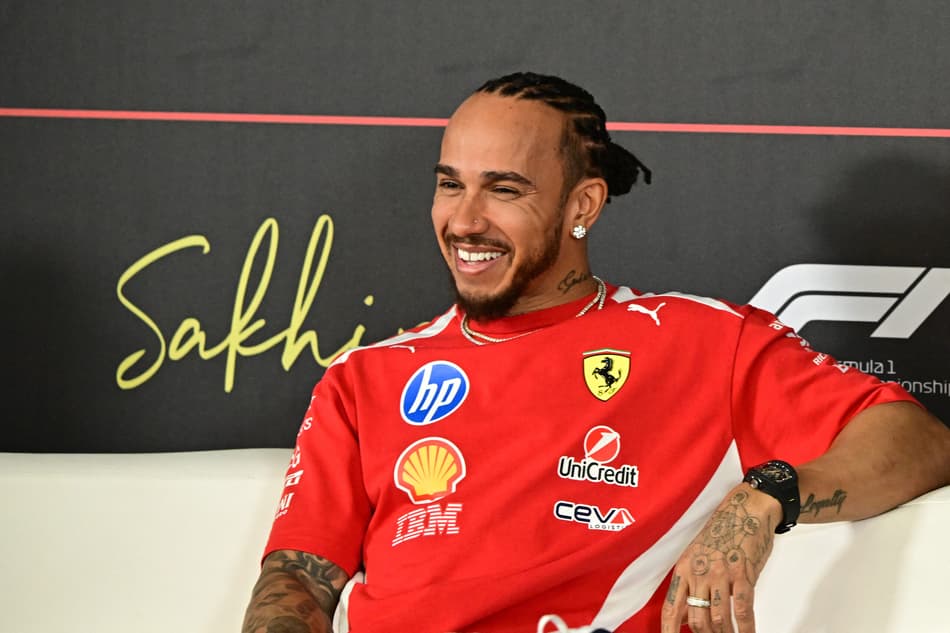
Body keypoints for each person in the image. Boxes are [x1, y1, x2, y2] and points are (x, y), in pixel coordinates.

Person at [242, 72, 950, 633]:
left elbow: (918, 442)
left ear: (583, 205)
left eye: (504, 190)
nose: (463, 220)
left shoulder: (701, 341)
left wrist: (764, 495)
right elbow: (298, 579)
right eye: (450, 183)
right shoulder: (364, 377)